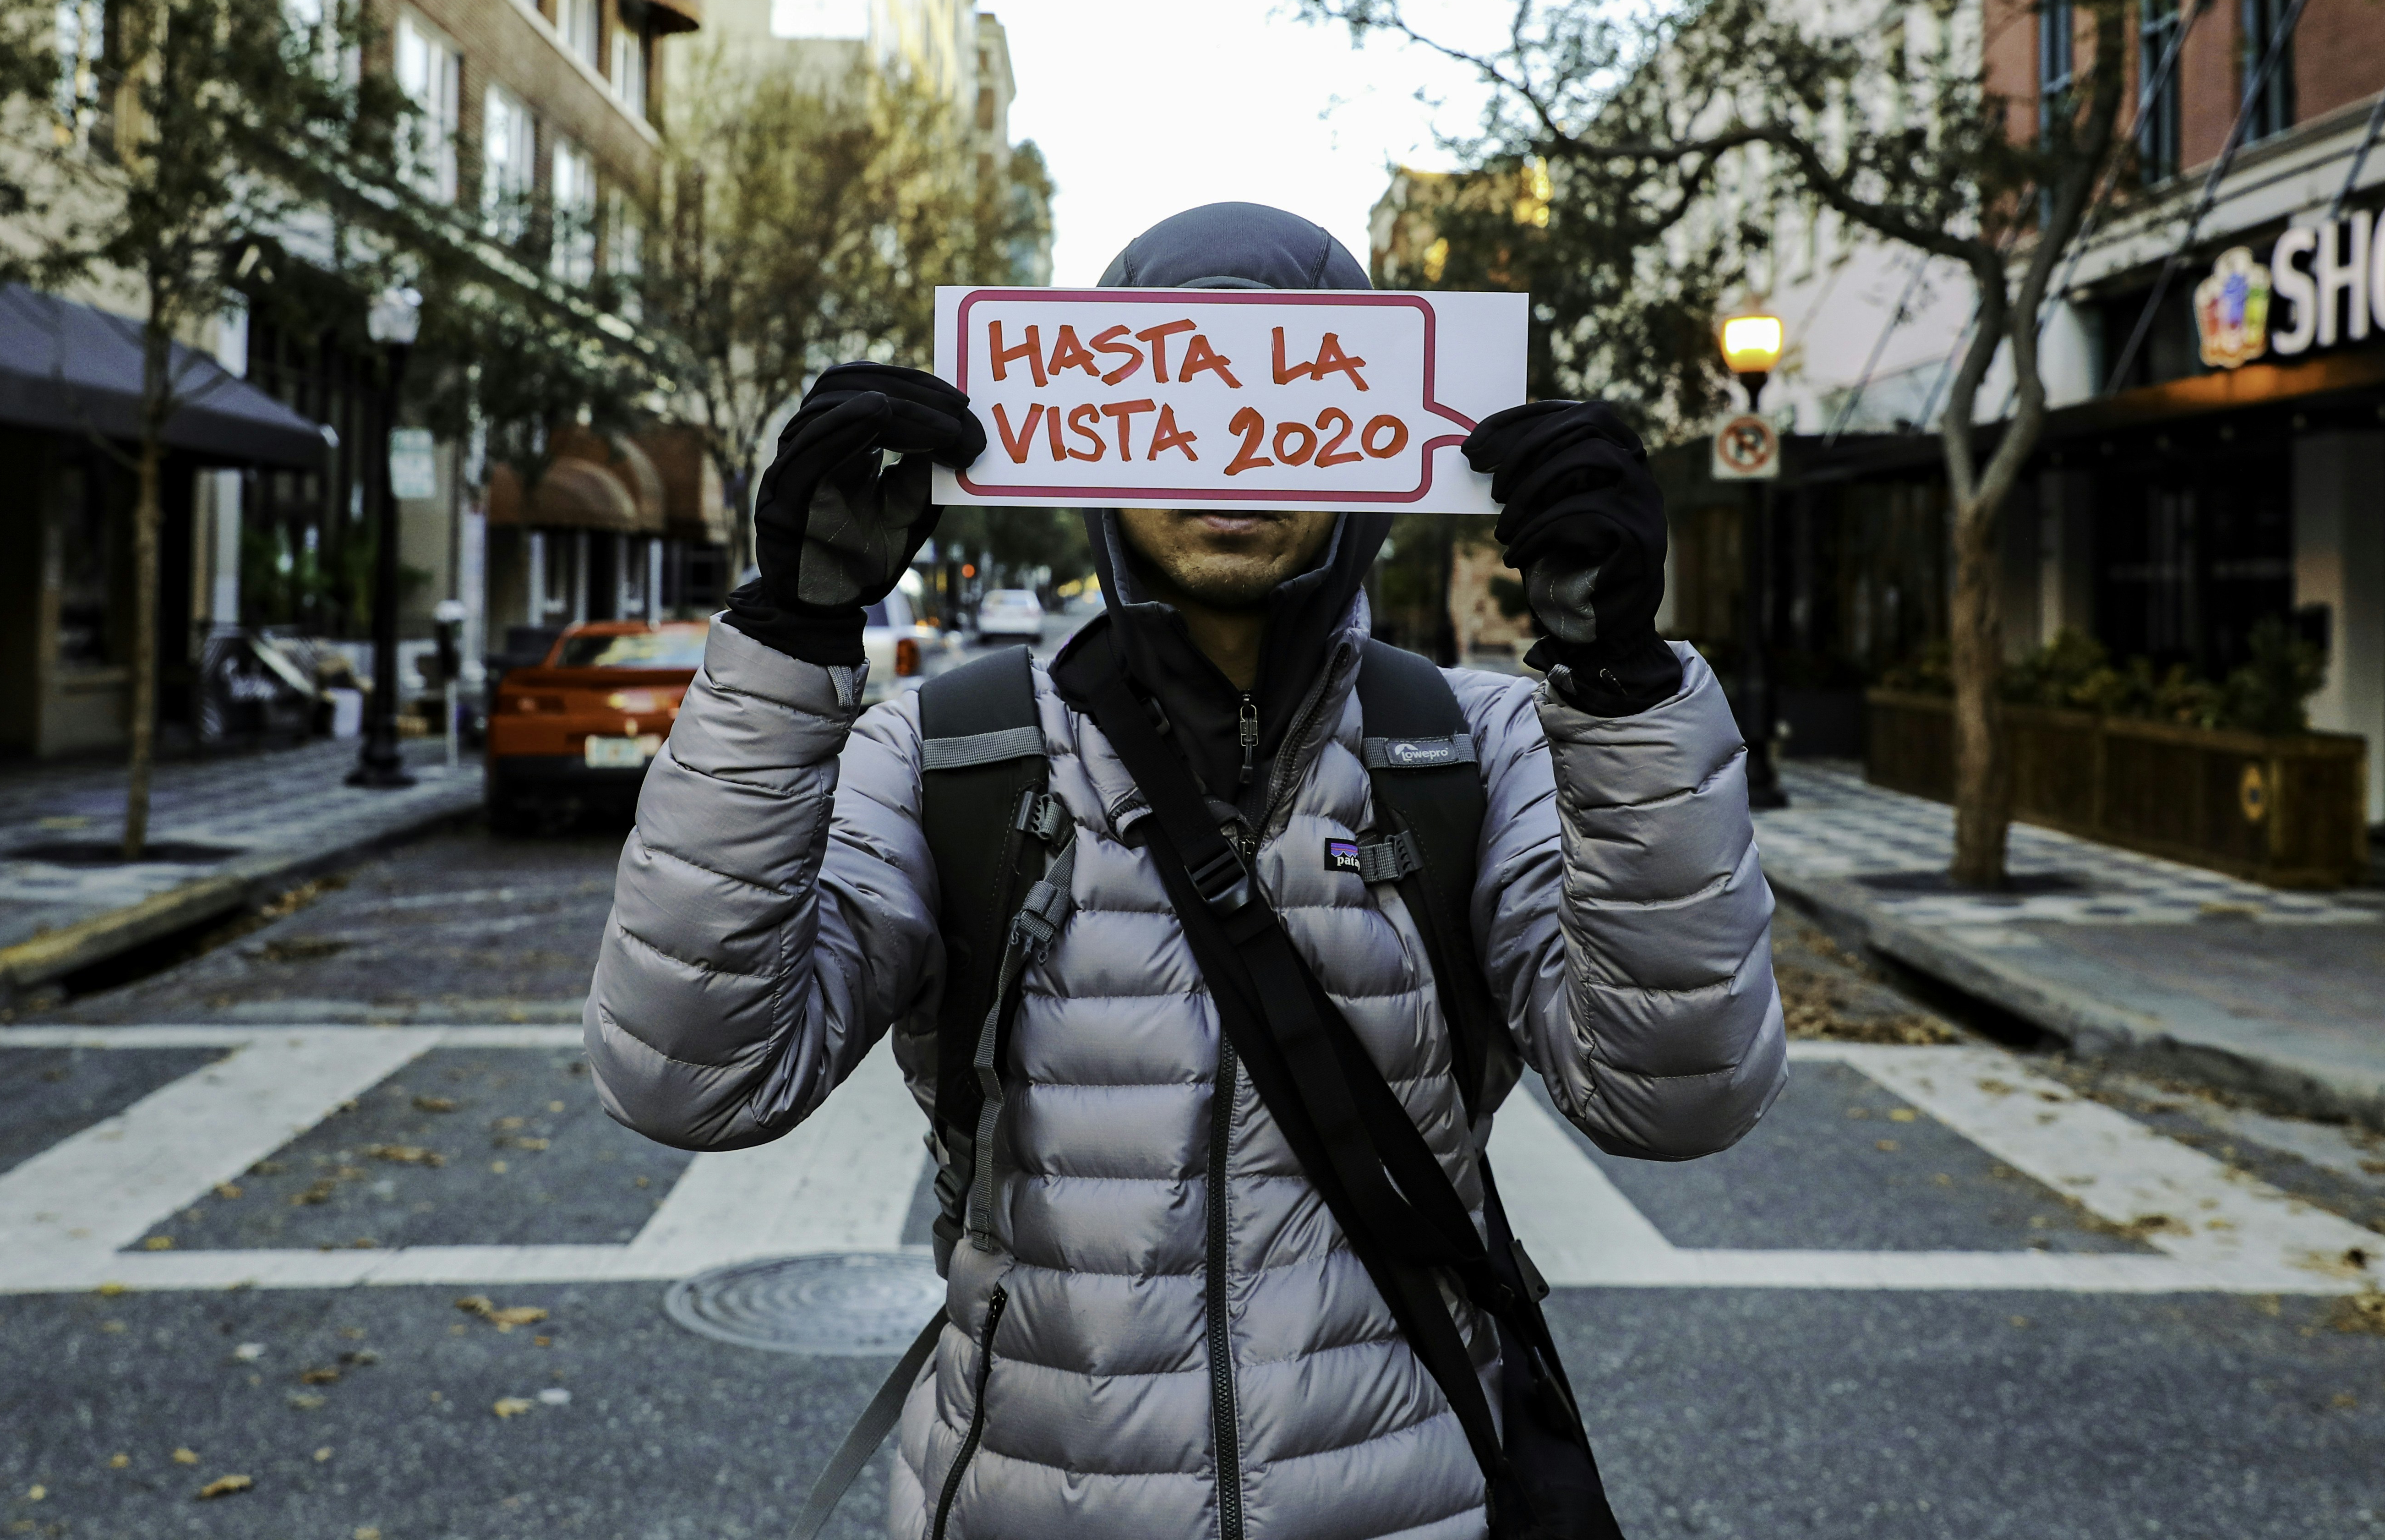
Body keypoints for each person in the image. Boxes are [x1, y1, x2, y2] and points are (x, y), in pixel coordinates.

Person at [588, 204, 1785, 1540]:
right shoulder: (951, 753)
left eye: (1297, 391)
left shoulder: (1475, 746)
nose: (1235, 445)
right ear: (1094, 435)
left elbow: (1678, 1096)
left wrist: (1623, 695)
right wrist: (788, 641)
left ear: (1379, 444)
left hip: (1413, 1503)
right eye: (1176, 397)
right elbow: (689, 1076)